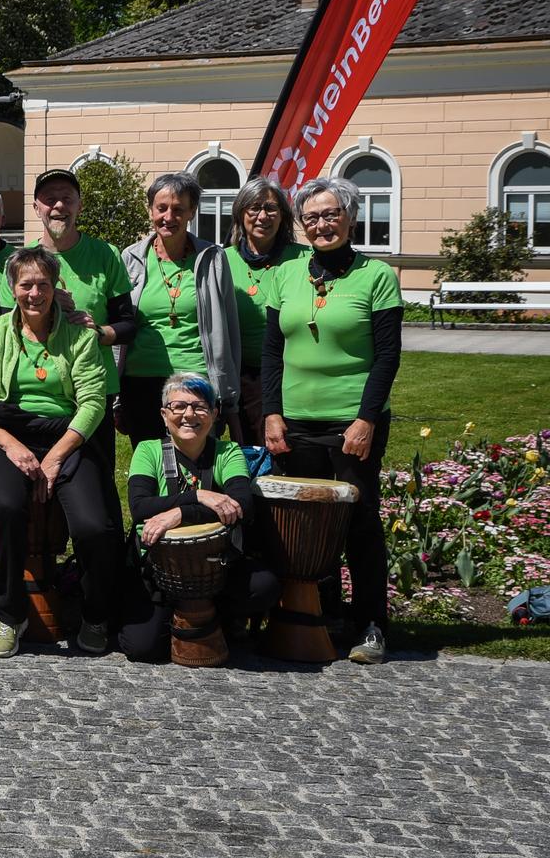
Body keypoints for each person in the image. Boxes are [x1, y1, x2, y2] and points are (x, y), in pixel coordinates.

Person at [261, 176, 402, 666]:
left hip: (352, 423)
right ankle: (320, 614)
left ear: (350, 217)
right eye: (312, 217)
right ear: (302, 224)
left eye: (331, 214)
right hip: (295, 420)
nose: (322, 225)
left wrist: (365, 420)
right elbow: (272, 351)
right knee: (305, 525)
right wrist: (271, 412)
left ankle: (371, 624)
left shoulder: (376, 276)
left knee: (359, 521)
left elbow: (387, 357)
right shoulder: (287, 274)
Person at [0, 245, 120, 659]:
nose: (35, 293)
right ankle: (9, 615)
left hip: (66, 436)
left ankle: (95, 614)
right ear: (12, 288)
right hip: (6, 433)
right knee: (8, 509)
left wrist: (55, 456)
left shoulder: (82, 337)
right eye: (26, 284)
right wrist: (11, 447)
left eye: (43, 284)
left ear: (56, 287)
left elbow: (93, 403)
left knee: (93, 525)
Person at [118, 372, 280, 662]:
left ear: (215, 414)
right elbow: (140, 507)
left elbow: (242, 504)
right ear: (164, 414)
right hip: (159, 571)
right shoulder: (149, 450)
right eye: (178, 406)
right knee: (141, 648)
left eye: (200, 406)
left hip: (217, 569)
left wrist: (178, 513)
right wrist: (198, 496)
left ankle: (217, 615)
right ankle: (181, 617)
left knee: (263, 586)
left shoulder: (227, 452)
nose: (189, 414)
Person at [31, 166, 136, 520]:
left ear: (79, 205)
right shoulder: (25, 260)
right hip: (40, 391)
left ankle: (102, 561)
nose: (58, 205)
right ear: (36, 207)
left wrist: (98, 331)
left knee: (98, 482)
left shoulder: (105, 254)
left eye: (67, 198)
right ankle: (46, 565)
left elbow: (128, 324)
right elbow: (7, 325)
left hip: (94, 389)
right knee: (42, 485)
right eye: (49, 199)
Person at [120, 172, 239, 446]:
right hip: (140, 380)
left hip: (195, 377)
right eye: (161, 208)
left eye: (178, 209)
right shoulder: (131, 258)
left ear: (191, 213)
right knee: (150, 464)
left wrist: (228, 390)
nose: (169, 217)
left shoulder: (213, 258)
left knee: (195, 464)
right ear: (150, 210)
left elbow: (228, 326)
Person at [223, 177, 305, 449]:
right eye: (254, 208)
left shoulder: (304, 259)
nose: (262, 216)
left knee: (289, 452)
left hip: (292, 374)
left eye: (271, 208)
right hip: (241, 377)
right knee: (251, 454)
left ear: (282, 215)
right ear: (240, 214)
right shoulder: (222, 260)